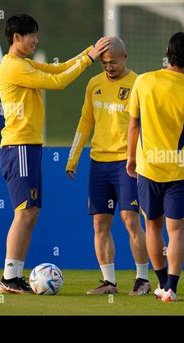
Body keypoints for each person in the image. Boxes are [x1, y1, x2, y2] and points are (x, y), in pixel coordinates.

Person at [0, 13, 110, 294]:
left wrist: (87, 52)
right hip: (19, 146)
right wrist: (91, 59)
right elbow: (59, 83)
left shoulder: (22, 63)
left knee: (30, 213)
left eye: (37, 34)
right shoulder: (12, 66)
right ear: (16, 38)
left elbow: (55, 70)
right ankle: (8, 279)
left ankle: (14, 276)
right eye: (31, 35)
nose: (36, 39)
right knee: (24, 213)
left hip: (29, 146)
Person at [66, 37, 151, 295]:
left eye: (113, 62)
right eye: (104, 63)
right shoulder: (94, 84)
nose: (109, 67)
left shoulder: (138, 84)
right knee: (100, 223)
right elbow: (85, 122)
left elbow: (147, 126)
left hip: (127, 164)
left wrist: (143, 158)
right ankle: (109, 282)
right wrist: (73, 157)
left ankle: (143, 279)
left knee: (129, 219)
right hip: (98, 163)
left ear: (125, 57)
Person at [126, 32, 184, 302]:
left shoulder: (143, 81)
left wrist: (130, 158)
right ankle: (171, 287)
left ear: (167, 52)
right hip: (179, 171)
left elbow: (133, 124)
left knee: (152, 226)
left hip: (148, 169)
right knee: (176, 230)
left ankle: (161, 284)